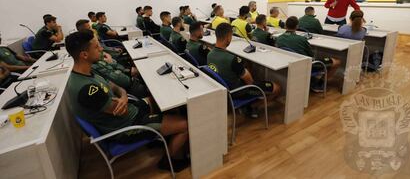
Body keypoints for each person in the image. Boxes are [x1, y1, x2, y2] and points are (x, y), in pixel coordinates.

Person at [65, 30, 189, 171]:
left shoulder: (86, 73)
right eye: (96, 46)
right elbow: (121, 112)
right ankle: (170, 161)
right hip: (127, 127)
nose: (101, 48)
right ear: (84, 55)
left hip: (130, 112)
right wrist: (123, 100)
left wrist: (123, 96)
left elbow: (115, 87)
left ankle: (164, 135)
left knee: (163, 100)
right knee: (185, 125)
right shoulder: (86, 89)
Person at [207, 23, 280, 117]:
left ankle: (249, 104)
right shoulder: (232, 59)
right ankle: (252, 107)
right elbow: (250, 82)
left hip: (226, 90)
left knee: (247, 67)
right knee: (277, 87)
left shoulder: (210, 54)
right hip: (238, 92)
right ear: (228, 37)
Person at [276, 16, 340, 92]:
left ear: (285, 26)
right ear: (297, 26)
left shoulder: (279, 38)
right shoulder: (302, 39)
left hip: (289, 64)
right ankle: (319, 85)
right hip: (304, 66)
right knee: (336, 62)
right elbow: (311, 55)